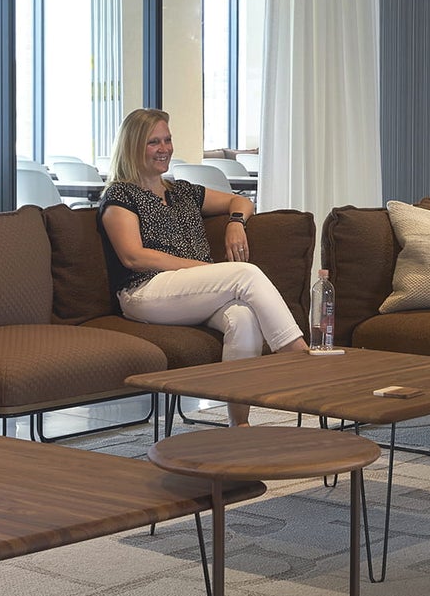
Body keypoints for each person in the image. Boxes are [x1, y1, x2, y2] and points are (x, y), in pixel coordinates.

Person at [97, 108, 307, 427]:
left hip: (192, 292)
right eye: (154, 142)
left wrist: (236, 223)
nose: (164, 148)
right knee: (245, 273)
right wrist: (197, 268)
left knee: (244, 319)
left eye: (167, 139)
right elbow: (134, 257)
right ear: (133, 146)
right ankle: (297, 355)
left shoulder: (181, 191)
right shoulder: (120, 195)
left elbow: (241, 202)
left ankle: (239, 425)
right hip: (145, 291)